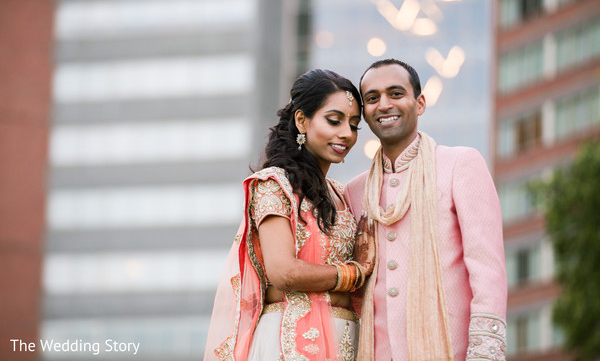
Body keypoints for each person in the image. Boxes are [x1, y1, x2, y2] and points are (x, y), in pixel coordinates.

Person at [204, 69, 376, 361]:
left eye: (354, 125)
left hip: (347, 339)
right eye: (334, 121)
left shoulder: (341, 194)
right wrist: (355, 272)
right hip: (290, 341)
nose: (346, 133)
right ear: (301, 120)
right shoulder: (275, 185)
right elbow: (283, 271)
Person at [343, 59, 507, 361]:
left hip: (450, 351)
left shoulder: (460, 165)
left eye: (395, 93)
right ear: (364, 113)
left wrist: (484, 355)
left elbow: (488, 271)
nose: (384, 105)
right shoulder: (354, 191)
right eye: (372, 98)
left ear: (419, 103)